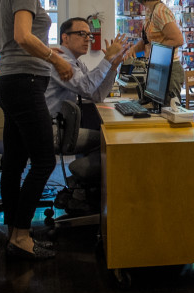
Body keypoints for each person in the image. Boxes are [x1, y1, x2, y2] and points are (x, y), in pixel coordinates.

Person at [0, 0, 74, 261]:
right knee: (44, 160)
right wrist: (55, 59)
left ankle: (13, 232)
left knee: (14, 161)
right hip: (25, 81)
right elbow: (23, 36)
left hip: (9, 79)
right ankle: (22, 234)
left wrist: (36, 51)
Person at [45, 17, 130, 184]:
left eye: (89, 35)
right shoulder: (59, 62)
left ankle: (82, 185)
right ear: (65, 37)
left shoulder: (76, 63)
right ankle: (79, 183)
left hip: (62, 126)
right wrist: (107, 59)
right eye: (81, 34)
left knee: (106, 137)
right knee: (108, 141)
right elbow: (87, 87)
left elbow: (96, 95)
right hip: (51, 129)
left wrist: (113, 67)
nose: (87, 39)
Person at [125, 0, 185, 104]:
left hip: (169, 68)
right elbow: (147, 40)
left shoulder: (160, 11)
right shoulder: (149, 11)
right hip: (158, 66)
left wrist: (155, 51)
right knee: (156, 107)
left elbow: (178, 39)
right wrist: (133, 50)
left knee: (170, 108)